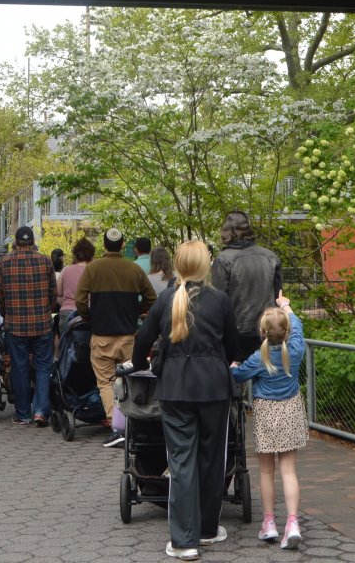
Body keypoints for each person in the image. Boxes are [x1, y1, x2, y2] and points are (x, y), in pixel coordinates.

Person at [131, 240, 237, 560]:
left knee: (181, 461)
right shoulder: (220, 301)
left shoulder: (166, 299)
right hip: (214, 389)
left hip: (176, 388)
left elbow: (142, 340)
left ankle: (183, 540)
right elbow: (234, 348)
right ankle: (207, 530)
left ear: (178, 265)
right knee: (211, 459)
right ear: (206, 265)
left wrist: (140, 363)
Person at [232, 296, 308, 550]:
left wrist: (232, 367)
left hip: (266, 412)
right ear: (287, 331)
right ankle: (293, 523)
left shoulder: (258, 358)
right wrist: (285, 305)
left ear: (262, 332)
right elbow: (298, 325)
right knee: (289, 471)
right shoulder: (295, 350)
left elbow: (238, 375)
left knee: (266, 471)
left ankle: (269, 523)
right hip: (291, 410)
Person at [74, 228, 156, 447]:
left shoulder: (93, 269)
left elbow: (79, 300)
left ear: (104, 245)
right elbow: (151, 298)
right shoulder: (133, 269)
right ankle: (133, 422)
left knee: (106, 382)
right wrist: (136, 311)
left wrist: (89, 317)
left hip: (101, 336)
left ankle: (116, 426)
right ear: (122, 245)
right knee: (129, 380)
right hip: (128, 336)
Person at [0, 225, 56, 426]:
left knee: (19, 368)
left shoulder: (4, 263)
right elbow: (53, 293)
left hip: (16, 325)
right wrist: (46, 310)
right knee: (43, 367)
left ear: (16, 242)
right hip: (42, 324)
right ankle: (41, 411)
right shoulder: (45, 261)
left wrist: (7, 315)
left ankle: (23, 413)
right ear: (32, 241)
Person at [210, 210, 283, 362]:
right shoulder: (271, 256)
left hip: (236, 333)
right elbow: (279, 297)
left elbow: (218, 301)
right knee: (266, 371)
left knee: (237, 373)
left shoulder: (223, 260)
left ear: (226, 231)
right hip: (268, 330)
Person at [56, 237, 96, 335]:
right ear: (91, 255)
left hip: (66, 313)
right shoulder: (94, 271)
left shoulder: (66, 270)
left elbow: (58, 292)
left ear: (75, 254)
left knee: (66, 343)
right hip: (88, 314)